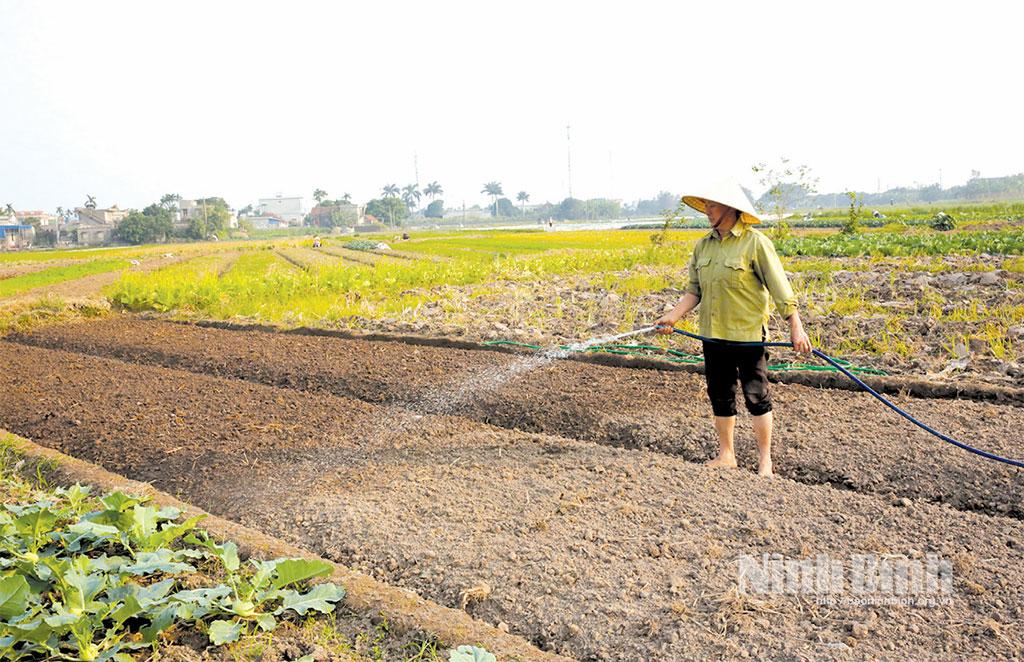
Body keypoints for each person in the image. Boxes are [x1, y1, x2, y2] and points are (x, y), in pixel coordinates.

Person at [656, 179, 811, 477]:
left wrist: (796, 327)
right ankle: (726, 454)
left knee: (756, 395)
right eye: (706, 206)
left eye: (712, 205)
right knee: (720, 394)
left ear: (730, 208)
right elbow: (694, 291)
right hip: (713, 335)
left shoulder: (755, 244)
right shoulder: (703, 246)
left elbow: (780, 289)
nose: (708, 212)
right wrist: (672, 316)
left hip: (747, 336)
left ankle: (765, 460)